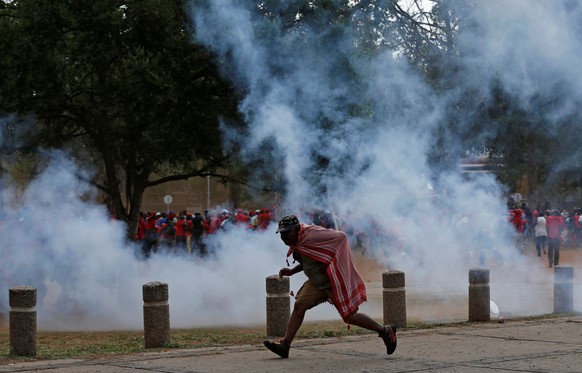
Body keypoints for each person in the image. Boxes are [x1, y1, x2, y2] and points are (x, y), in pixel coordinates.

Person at [263, 215, 397, 358]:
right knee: (299, 306)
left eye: (286, 233)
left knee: (349, 316)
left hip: (331, 282)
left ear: (296, 229)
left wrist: (336, 264)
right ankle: (285, 346)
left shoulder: (311, 235)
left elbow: (341, 237)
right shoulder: (297, 242)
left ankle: (384, 331)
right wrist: (291, 271)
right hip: (316, 282)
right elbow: (310, 260)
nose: (283, 237)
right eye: (281, 233)